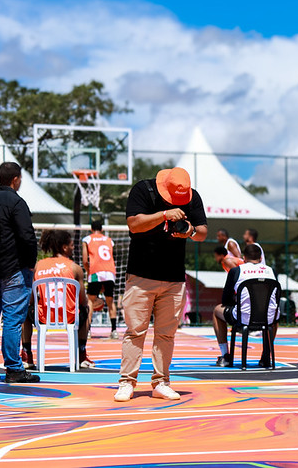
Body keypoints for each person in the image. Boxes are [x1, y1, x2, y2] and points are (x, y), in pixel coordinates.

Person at [114, 167, 208, 402]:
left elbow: (203, 232)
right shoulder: (143, 190)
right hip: (141, 275)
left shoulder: (191, 196)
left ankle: (161, 382)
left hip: (174, 278)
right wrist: (164, 215)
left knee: (167, 334)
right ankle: (127, 382)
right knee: (135, 331)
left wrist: (191, 231)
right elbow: (134, 224)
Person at [0, 162, 39, 383]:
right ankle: (13, 369)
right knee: (11, 320)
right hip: (13, 268)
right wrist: (30, 263)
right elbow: (27, 236)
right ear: (16, 179)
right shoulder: (17, 203)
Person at [211, 244, 279, 367]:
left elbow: (225, 299)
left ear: (244, 258)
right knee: (274, 313)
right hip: (267, 318)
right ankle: (266, 355)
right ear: (260, 258)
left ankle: (225, 356)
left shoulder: (237, 271)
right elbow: (276, 297)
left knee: (217, 311)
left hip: (244, 317)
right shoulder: (271, 271)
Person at [34, 230, 94, 367]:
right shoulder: (75, 268)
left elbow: (32, 298)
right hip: (69, 316)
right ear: (65, 247)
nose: (73, 248)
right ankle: (82, 354)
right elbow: (83, 301)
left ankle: (26, 355)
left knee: (25, 309)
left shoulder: (39, 266)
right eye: (72, 245)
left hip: (44, 317)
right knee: (86, 309)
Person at [82, 220, 119, 340]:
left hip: (95, 271)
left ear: (91, 229)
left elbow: (85, 261)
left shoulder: (87, 239)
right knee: (110, 301)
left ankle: (88, 330)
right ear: (102, 229)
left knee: (90, 301)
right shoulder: (109, 240)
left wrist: (89, 272)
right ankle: (114, 331)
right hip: (110, 272)